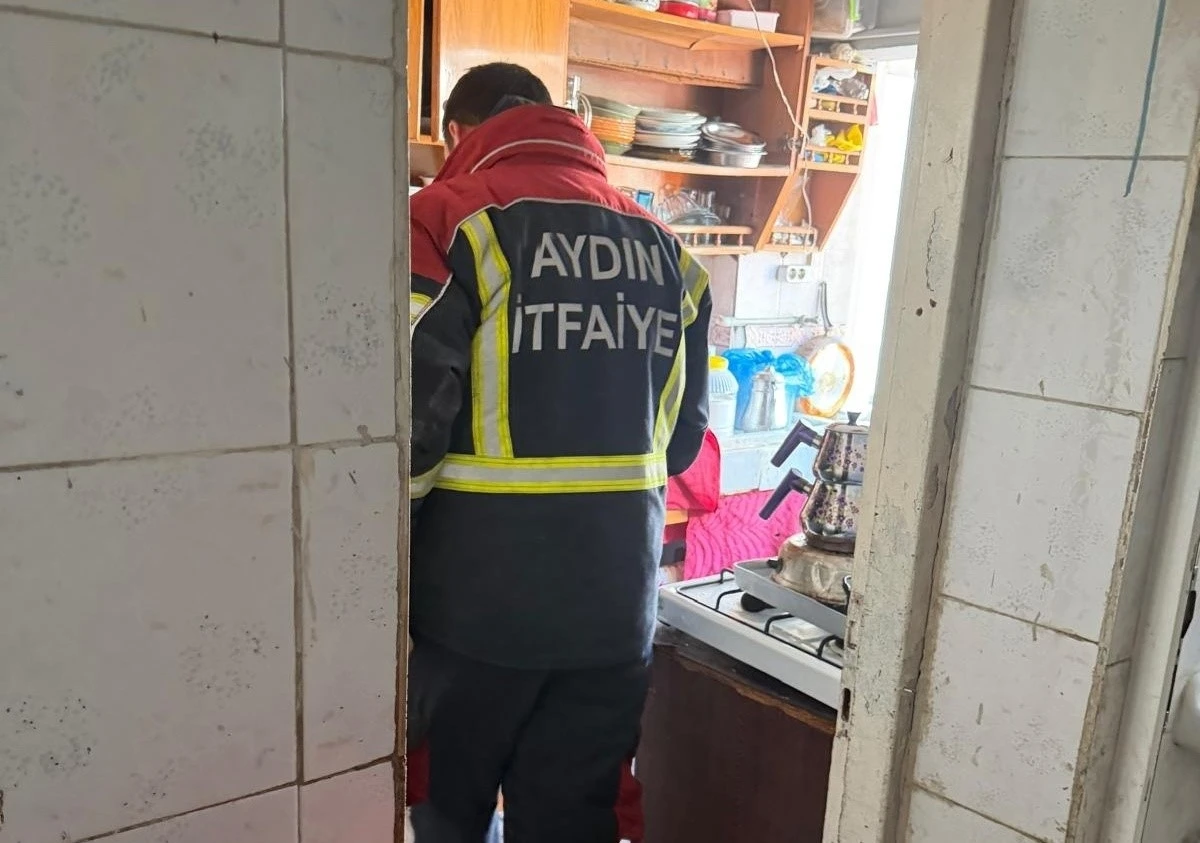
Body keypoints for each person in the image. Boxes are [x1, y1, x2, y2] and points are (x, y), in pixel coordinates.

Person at [407, 62, 711, 843]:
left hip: (470, 613)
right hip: (614, 611)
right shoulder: (668, 251)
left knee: (446, 818)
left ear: (458, 133)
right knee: (574, 823)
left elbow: (406, 434)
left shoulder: (445, 220)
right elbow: (681, 443)